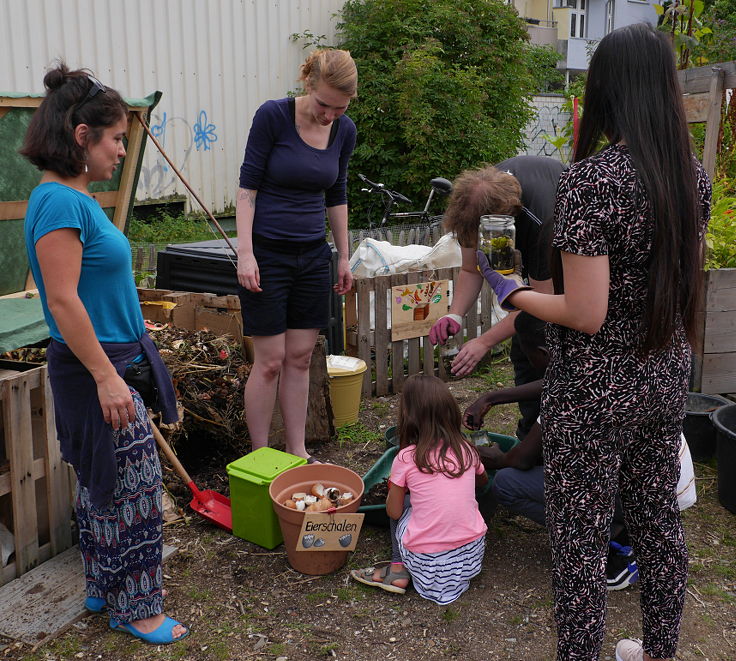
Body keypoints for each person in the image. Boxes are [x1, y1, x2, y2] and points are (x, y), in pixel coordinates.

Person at [476, 24, 710, 661]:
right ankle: (658, 650)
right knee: (658, 526)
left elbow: (584, 312)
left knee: (580, 541)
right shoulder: (691, 177)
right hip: (663, 375)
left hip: (595, 389)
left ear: (607, 90)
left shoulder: (591, 182)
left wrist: (511, 291)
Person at [20, 64, 188, 644]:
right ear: (82, 135)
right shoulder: (60, 203)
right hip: (97, 368)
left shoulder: (73, 200)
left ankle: (101, 582)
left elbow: (87, 288)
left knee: (102, 483)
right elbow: (62, 301)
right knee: (134, 488)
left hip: (108, 359)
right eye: (116, 137)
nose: (122, 149)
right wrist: (106, 378)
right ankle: (137, 608)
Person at [236, 49, 357, 461]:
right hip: (268, 256)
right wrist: (246, 254)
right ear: (308, 85)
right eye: (324, 105)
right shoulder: (273, 116)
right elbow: (247, 188)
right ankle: (260, 455)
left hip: (312, 257)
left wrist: (343, 256)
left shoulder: (344, 131)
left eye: (339, 108)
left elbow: (336, 195)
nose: (329, 116)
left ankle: (297, 450)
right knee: (269, 361)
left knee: (301, 358)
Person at [465, 312, 638, 591]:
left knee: (507, 483)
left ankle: (610, 539)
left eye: (528, 354)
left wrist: (496, 459)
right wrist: (491, 397)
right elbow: (550, 383)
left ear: (545, 354)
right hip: (667, 487)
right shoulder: (602, 358)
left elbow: (520, 460)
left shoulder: (567, 394)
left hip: (634, 496)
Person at [430, 156, 564, 440]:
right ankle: (529, 432)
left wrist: (484, 341)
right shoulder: (473, 204)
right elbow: (470, 268)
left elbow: (542, 305)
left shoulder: (542, 221)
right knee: (523, 353)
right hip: (538, 287)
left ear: (502, 220)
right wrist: (454, 313)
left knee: (543, 354)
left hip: (565, 283)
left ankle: (541, 443)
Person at [350, 375, 488, 604]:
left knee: (401, 505)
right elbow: (482, 481)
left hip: (429, 568)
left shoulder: (406, 457)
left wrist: (403, 491)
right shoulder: (467, 449)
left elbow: (393, 513)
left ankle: (397, 570)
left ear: (408, 416)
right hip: (470, 561)